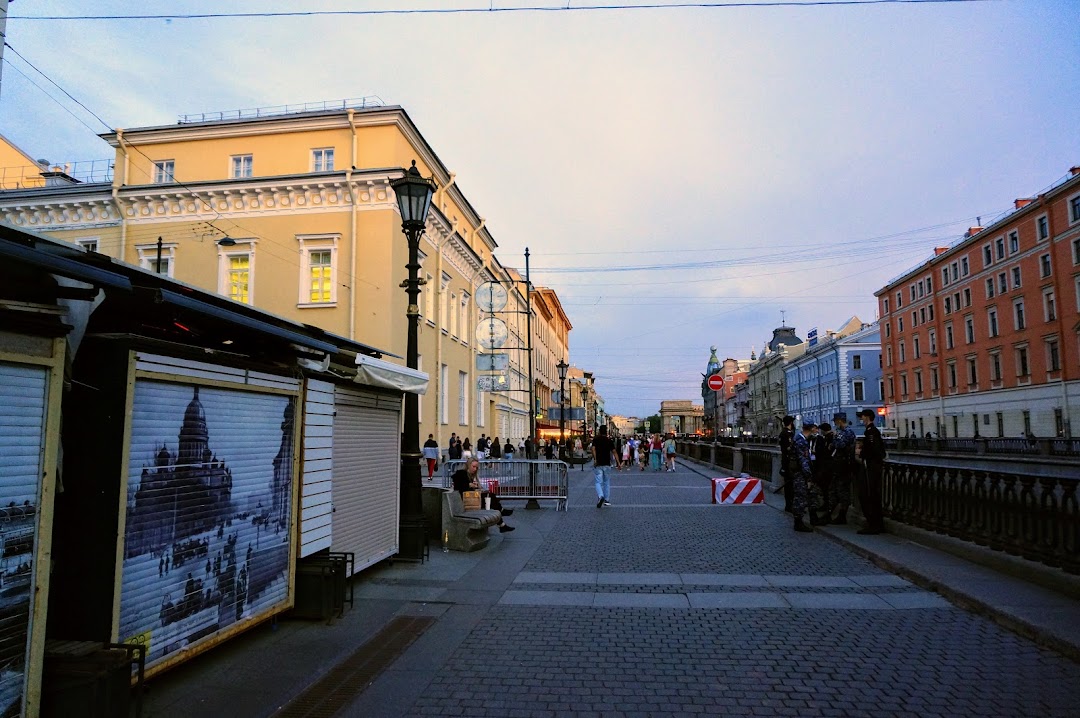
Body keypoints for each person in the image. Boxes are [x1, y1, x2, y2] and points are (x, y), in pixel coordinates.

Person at [451, 457, 514, 532]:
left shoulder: (470, 475)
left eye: (476, 467)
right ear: (468, 465)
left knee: (491, 496)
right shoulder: (461, 473)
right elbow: (460, 486)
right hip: (465, 500)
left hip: (471, 499)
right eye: (473, 466)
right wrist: (470, 485)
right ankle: (501, 516)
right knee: (491, 497)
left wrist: (476, 487)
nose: (475, 469)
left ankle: (502, 524)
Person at [857, 409, 886, 535]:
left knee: (871, 495)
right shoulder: (871, 431)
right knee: (873, 495)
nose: (861, 419)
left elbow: (874, 450)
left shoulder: (871, 432)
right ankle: (876, 524)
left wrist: (862, 453)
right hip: (874, 467)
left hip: (872, 468)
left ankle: (874, 524)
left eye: (862, 417)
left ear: (867, 417)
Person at [829, 413, 855, 524]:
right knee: (835, 489)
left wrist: (835, 437)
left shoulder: (847, 432)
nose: (834, 423)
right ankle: (835, 513)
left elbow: (840, 445)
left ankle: (842, 514)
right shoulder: (841, 432)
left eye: (835, 421)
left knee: (843, 490)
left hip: (844, 465)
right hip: (838, 464)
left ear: (840, 421)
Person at [789, 423, 814, 532]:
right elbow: (803, 460)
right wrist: (808, 477)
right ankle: (798, 522)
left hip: (796, 472)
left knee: (799, 496)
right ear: (811, 429)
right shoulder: (802, 441)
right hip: (800, 473)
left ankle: (798, 521)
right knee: (801, 497)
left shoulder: (797, 438)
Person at [809, 423, 833, 525]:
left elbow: (824, 452)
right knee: (822, 488)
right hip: (818, 466)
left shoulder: (822, 439)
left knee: (824, 488)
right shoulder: (815, 439)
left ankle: (824, 508)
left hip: (823, 467)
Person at [591, 425, 621, 507]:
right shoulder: (609, 440)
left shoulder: (596, 439)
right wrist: (618, 463)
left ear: (599, 431)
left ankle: (601, 496)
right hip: (607, 464)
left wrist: (595, 459)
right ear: (606, 432)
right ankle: (607, 500)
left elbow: (593, 449)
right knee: (606, 482)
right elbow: (614, 452)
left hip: (598, 463)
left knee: (598, 482)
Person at [779, 416, 796, 512]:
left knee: (788, 484)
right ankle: (790, 506)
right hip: (789, 462)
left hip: (785, 461)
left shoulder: (782, 433)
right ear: (790, 423)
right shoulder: (788, 434)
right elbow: (790, 448)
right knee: (790, 485)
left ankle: (788, 505)